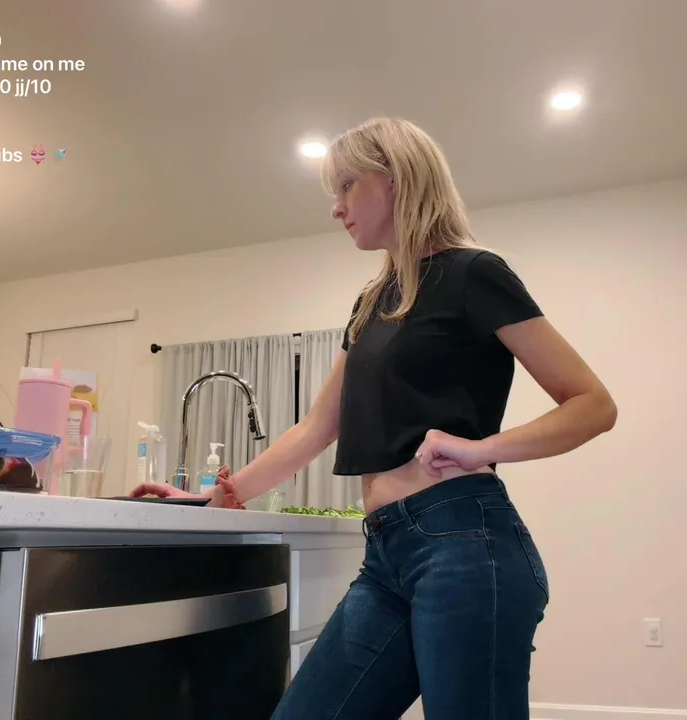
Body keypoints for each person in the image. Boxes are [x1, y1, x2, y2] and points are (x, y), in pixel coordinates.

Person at [129, 117, 618, 719]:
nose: (336, 207)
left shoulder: (474, 273)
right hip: (386, 553)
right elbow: (318, 426)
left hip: (465, 543)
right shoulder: (370, 303)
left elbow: (592, 404)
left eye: (346, 185)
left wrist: (481, 448)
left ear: (397, 180)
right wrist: (218, 497)